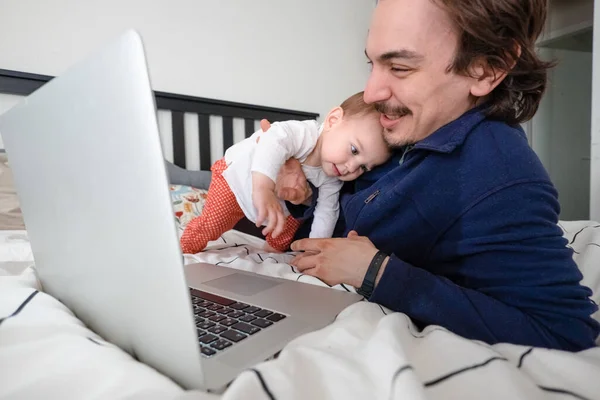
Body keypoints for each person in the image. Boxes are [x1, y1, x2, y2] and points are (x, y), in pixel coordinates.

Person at [266, 0, 600, 351]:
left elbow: (562, 331)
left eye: (399, 67)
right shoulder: (411, 132)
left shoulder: (496, 173)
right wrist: (304, 191)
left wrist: (377, 272)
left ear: (487, 69)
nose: (371, 93)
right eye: (372, 63)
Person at [180, 92, 390, 254]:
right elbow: (272, 142)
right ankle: (183, 250)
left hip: (280, 205)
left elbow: (327, 213)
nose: (351, 167)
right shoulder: (302, 134)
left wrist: (314, 248)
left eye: (363, 167)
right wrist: (263, 187)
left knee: (282, 236)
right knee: (212, 225)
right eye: (354, 150)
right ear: (333, 120)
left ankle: (269, 257)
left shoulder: (332, 179)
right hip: (236, 182)